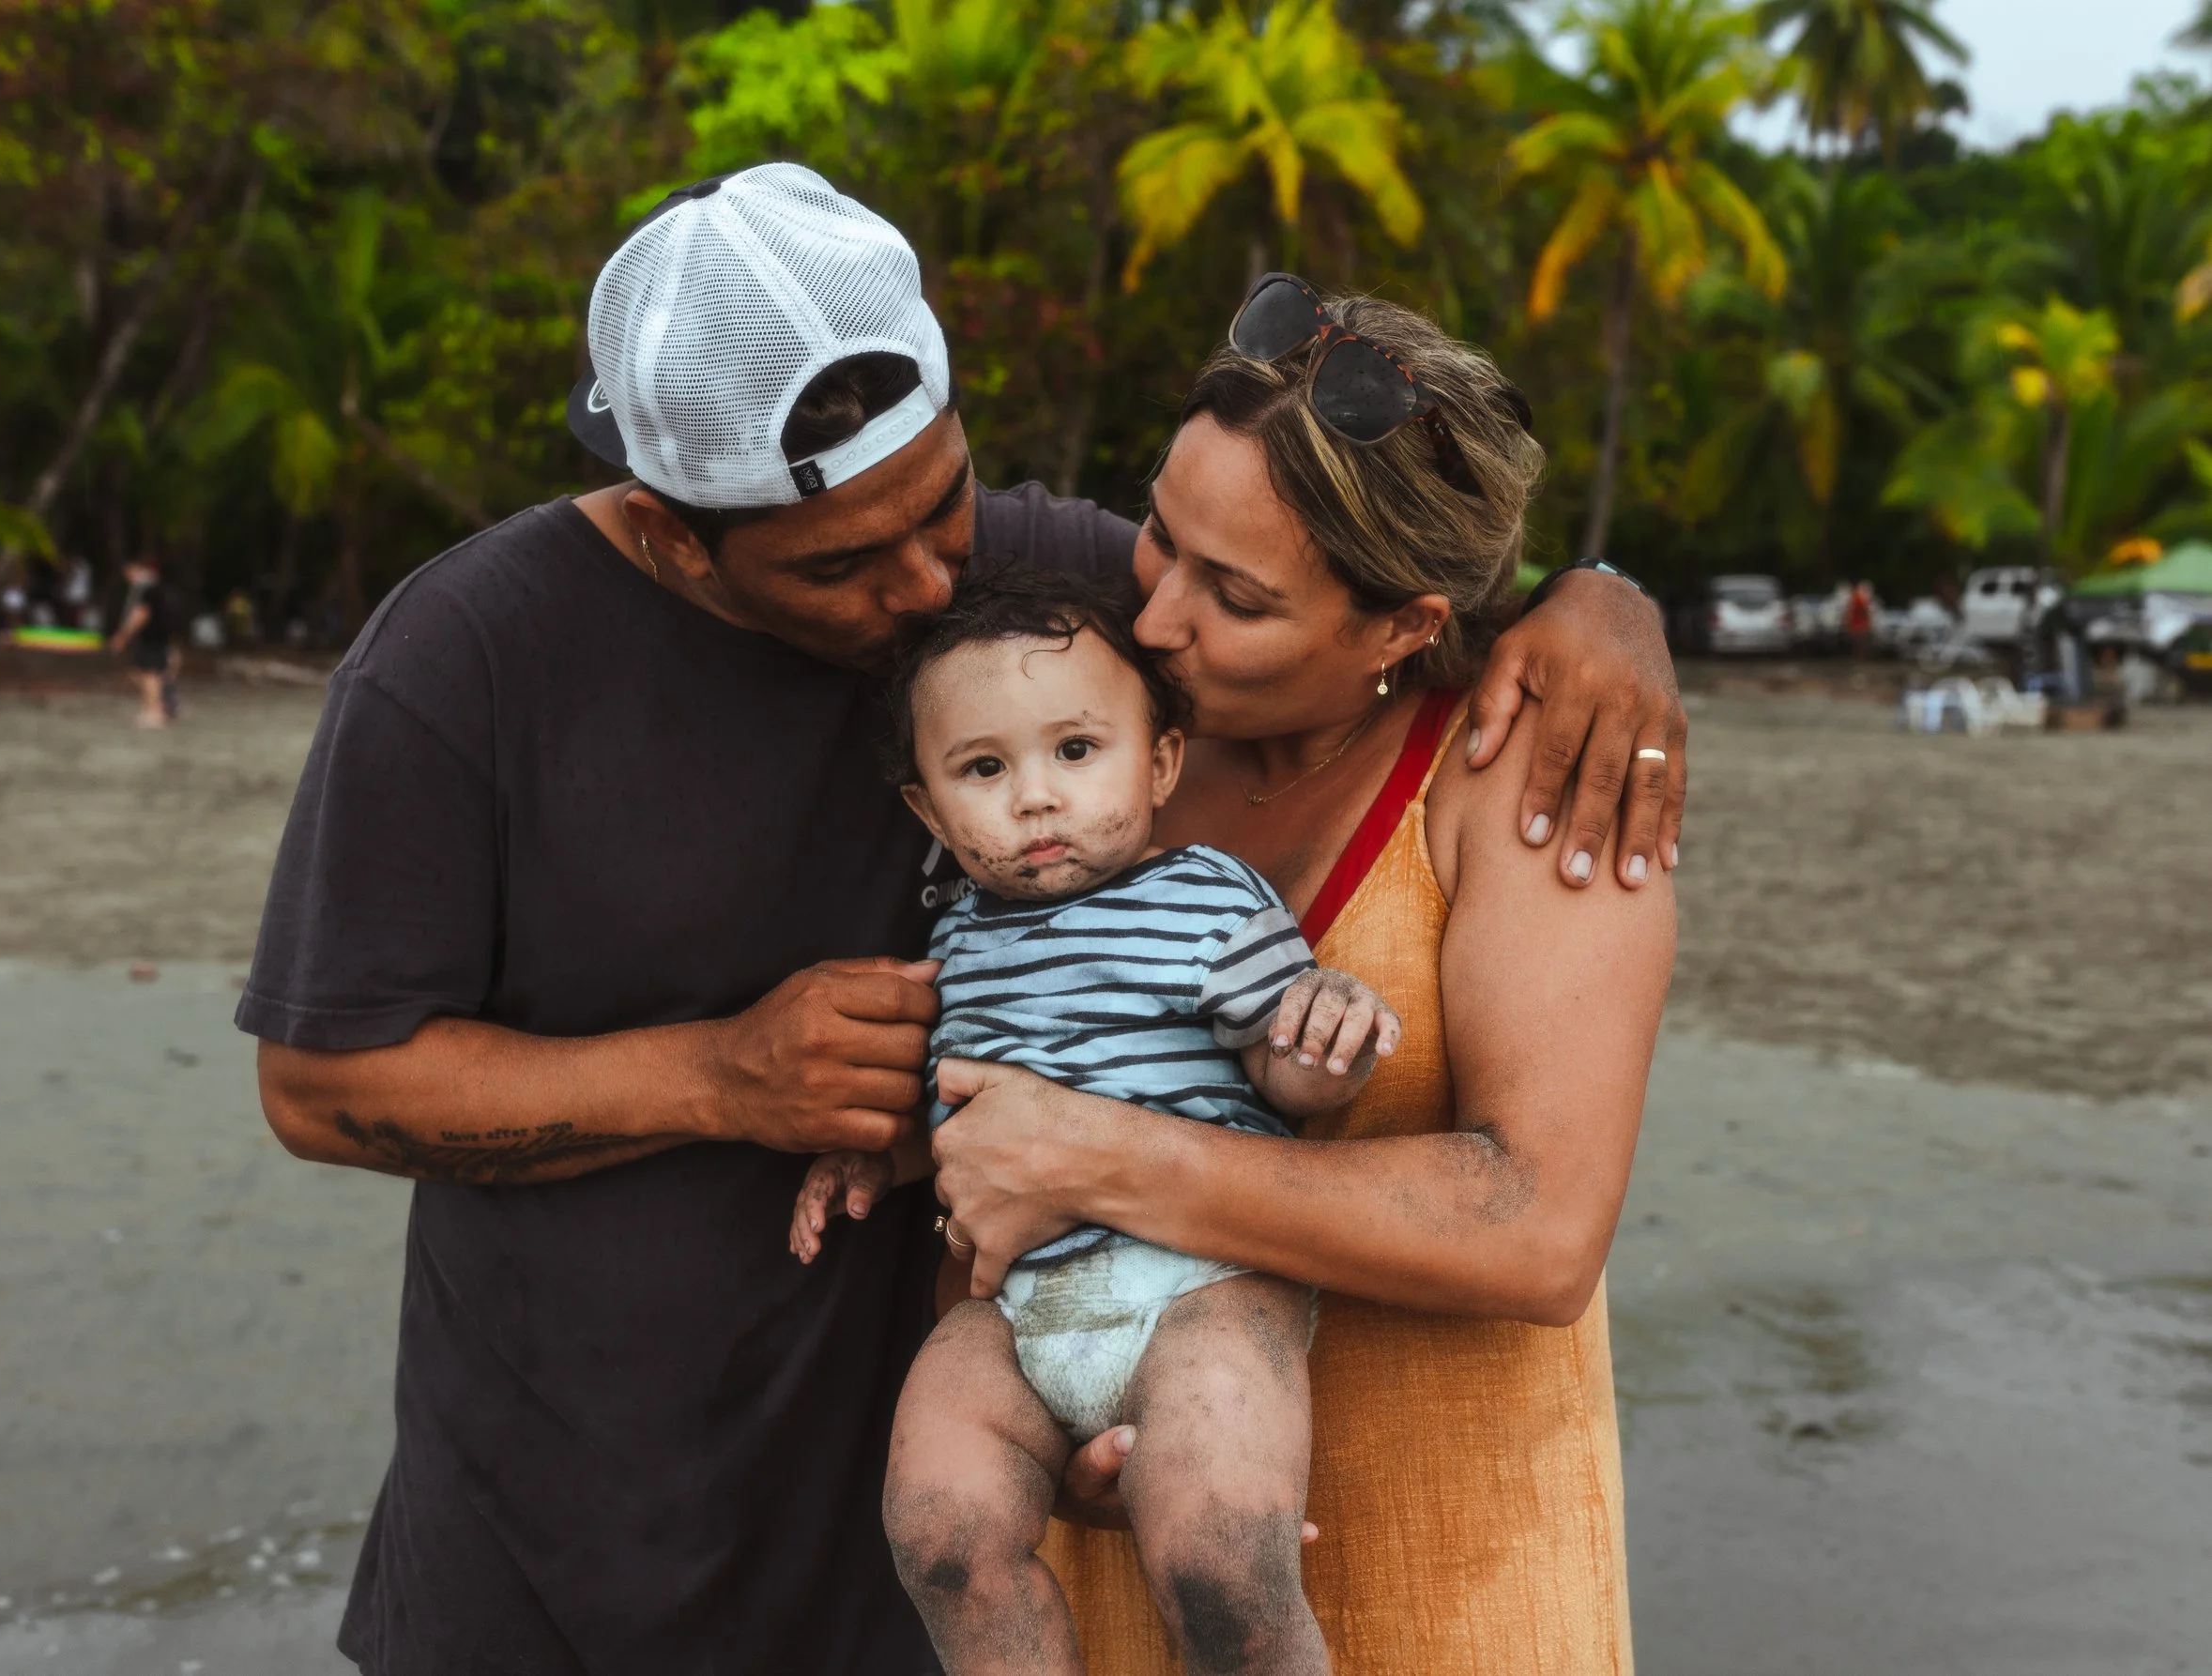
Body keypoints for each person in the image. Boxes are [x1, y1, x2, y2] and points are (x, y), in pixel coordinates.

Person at [239, 166, 1684, 1675]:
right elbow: (318, 1086)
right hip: (567, 1554)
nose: (932, 584)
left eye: (947, 501)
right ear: (673, 537)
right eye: (841, 565)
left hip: (940, 1563)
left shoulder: (1060, 610)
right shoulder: (462, 661)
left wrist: (1600, 600)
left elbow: (1366, 567)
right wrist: (719, 1075)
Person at [925, 279, 1677, 1672]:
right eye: (1161, 534)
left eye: (1238, 596)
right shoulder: (1079, 740)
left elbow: (1539, 1226)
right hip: (1122, 1563)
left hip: (1453, 1571)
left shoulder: (1526, 771)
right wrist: (1037, 1417)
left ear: (1402, 625)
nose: (1159, 618)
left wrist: (1099, 1159)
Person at [792, 571, 1399, 1674]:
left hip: (1205, 1290)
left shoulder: (1206, 896)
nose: (1035, 798)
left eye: (1076, 750)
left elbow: (1287, 1079)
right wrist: (879, 1156)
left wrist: (1328, 1032)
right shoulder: (958, 940)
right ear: (927, 809)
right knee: (939, 1535)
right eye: (984, 769)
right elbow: (961, 1115)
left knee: (1219, 1564)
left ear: (1160, 763)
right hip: (1021, 1310)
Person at [109, 556, 178, 728]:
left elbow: (140, 614)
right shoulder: (159, 587)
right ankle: (157, 707)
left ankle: (155, 711)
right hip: (159, 636)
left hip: (151, 636)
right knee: (147, 672)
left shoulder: (147, 589)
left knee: (150, 674)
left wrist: (123, 636)